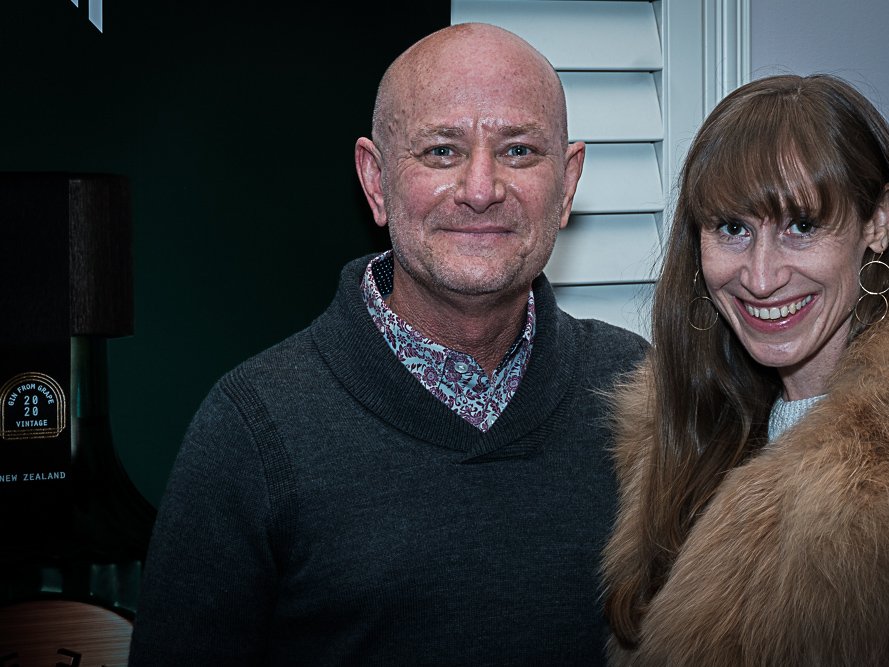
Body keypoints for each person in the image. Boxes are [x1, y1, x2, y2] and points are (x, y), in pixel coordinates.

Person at [128, 22, 648, 666]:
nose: (481, 189)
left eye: (518, 151)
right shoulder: (252, 431)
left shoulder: (642, 394)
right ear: (376, 182)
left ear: (567, 184)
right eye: (440, 152)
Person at [602, 73, 889, 666]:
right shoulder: (676, 436)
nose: (761, 277)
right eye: (732, 229)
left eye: (802, 226)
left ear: (878, 223)